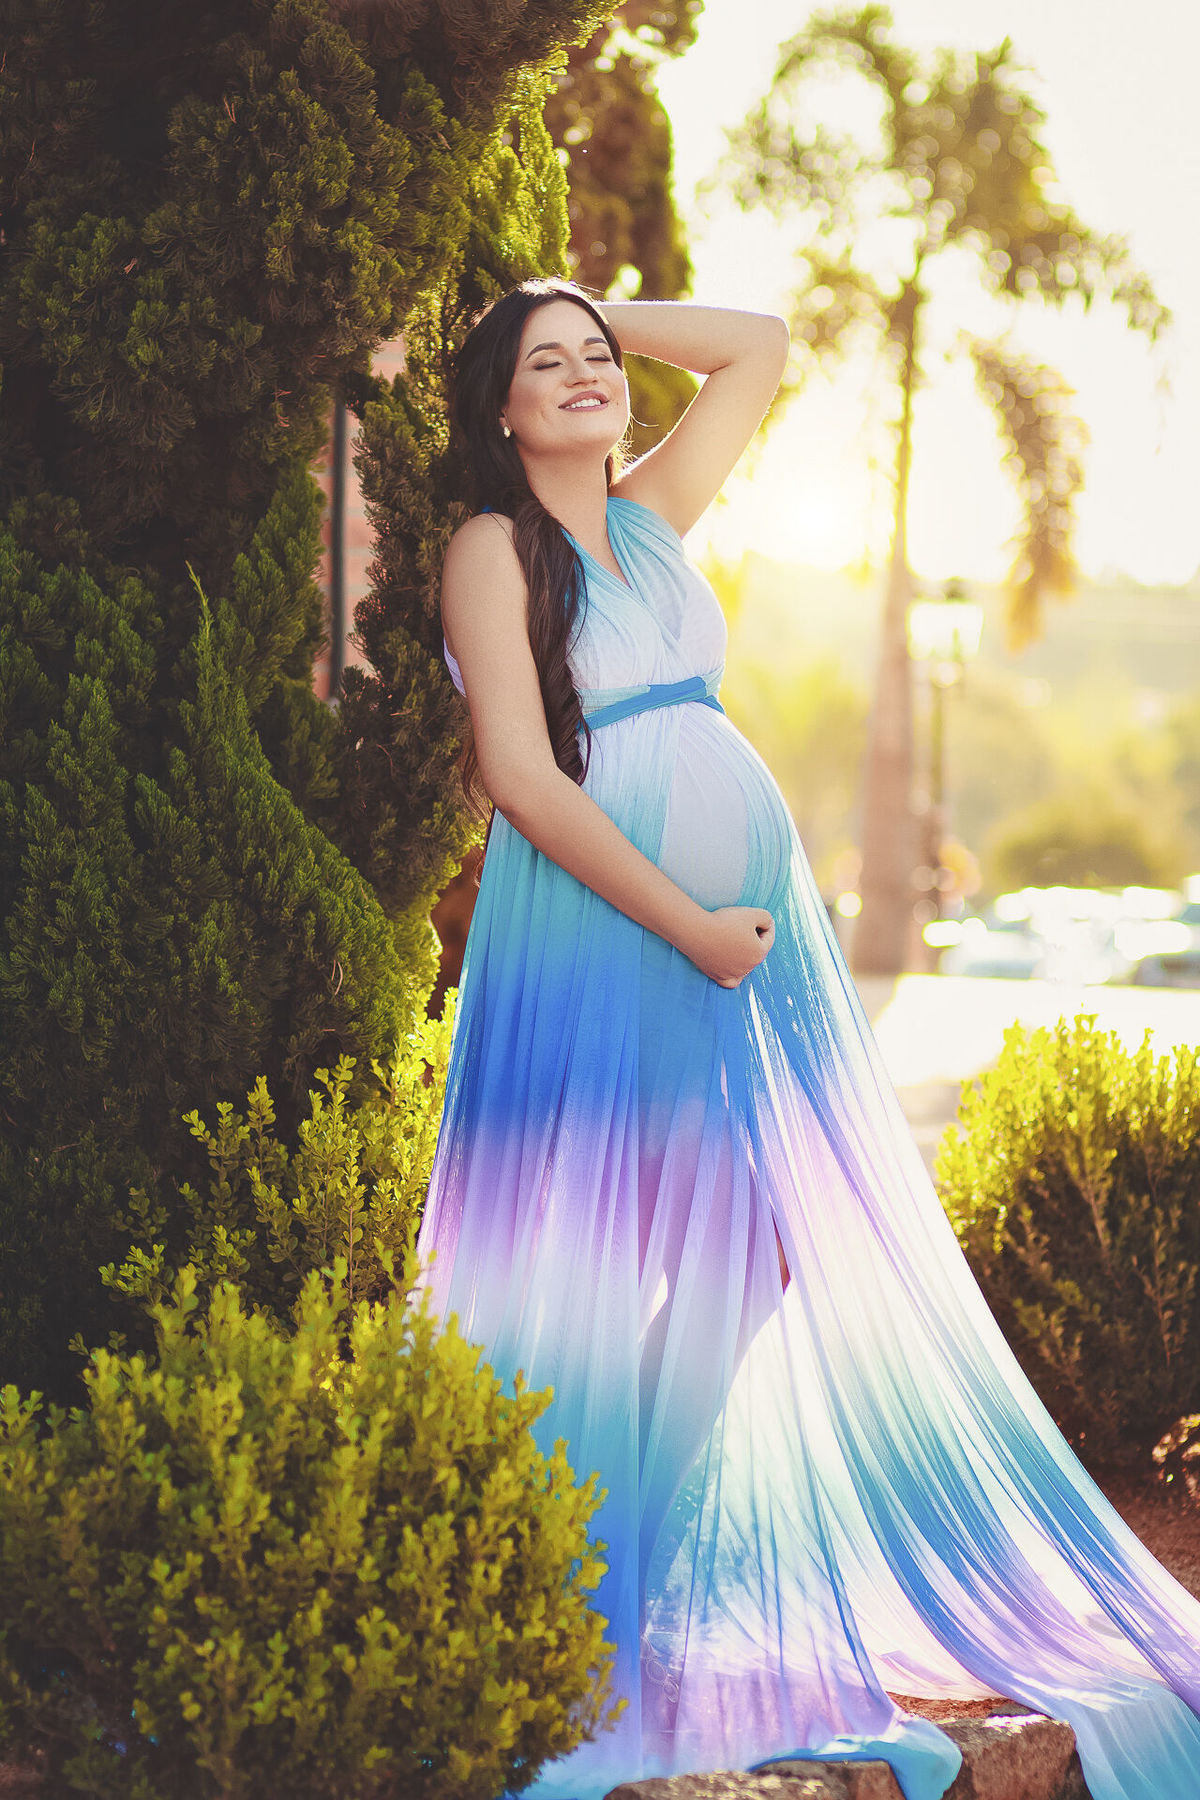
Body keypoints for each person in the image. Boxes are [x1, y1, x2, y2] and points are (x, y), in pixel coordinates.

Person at [417, 278, 1200, 1800]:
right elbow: (518, 768)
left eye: (594, 361)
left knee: (763, 1237)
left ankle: (619, 1561)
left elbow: (761, 346)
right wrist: (691, 924)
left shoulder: (646, 519)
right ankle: (562, 1592)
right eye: (544, 366)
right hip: (607, 927)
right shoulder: (486, 549)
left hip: (738, 942)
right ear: (497, 409)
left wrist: (586, 302)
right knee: (595, 1245)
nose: (581, 377)